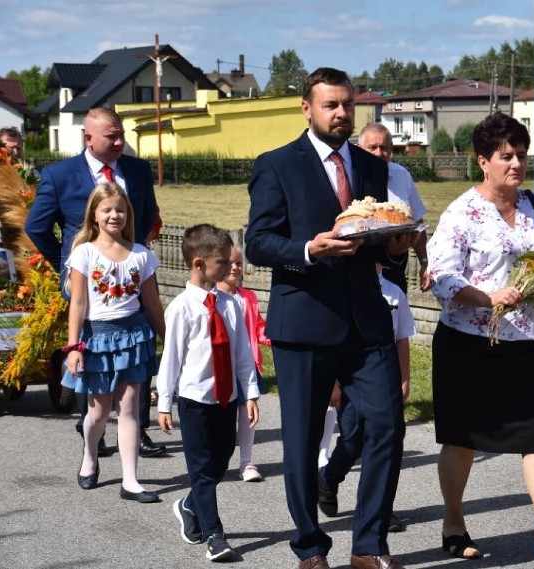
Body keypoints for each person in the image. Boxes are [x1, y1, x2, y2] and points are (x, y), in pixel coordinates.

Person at [245, 67, 411, 569]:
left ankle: (368, 547)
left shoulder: (371, 164)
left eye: (347, 105)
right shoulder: (276, 165)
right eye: (330, 105)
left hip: (366, 320)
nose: (341, 114)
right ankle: (310, 548)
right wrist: (308, 250)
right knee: (299, 439)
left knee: (386, 426)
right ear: (307, 109)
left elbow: (380, 239)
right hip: (305, 321)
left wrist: (399, 248)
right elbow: (258, 242)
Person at [427, 112, 534, 569]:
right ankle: (454, 521)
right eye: (506, 156)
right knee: (462, 441)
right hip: (472, 344)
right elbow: (440, 275)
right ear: (483, 161)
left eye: (521, 155)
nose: (517, 164)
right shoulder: (462, 212)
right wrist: (487, 296)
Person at [25, 107, 165, 458]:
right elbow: (36, 227)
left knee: (139, 338)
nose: (120, 142)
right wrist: (68, 261)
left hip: (130, 271)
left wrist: (134, 250)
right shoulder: (60, 175)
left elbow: (147, 214)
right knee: (95, 344)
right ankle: (95, 423)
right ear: (89, 138)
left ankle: (137, 426)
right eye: (111, 137)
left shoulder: (137, 169)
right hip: (88, 276)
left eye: (122, 135)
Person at [157, 224, 260, 562]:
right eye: (221, 262)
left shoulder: (231, 305)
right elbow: (171, 358)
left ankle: (188, 505)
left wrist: (251, 393)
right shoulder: (182, 308)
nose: (229, 267)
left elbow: (243, 354)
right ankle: (215, 536)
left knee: (221, 461)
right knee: (202, 470)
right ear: (199, 264)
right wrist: (164, 402)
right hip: (195, 401)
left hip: (226, 398)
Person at [61, 183, 164, 504]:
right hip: (97, 338)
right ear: (94, 214)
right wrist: (73, 347)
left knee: (130, 408)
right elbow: (77, 303)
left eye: (120, 209)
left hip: (134, 336)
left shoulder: (141, 254)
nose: (114, 215)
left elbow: (153, 303)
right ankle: (90, 455)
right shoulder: (84, 253)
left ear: (128, 214)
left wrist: (169, 342)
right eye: (107, 209)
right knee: (100, 412)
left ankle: (131, 481)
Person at [317, 262, 415, 533]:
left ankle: (380, 509)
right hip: (351, 380)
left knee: (384, 442)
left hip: (383, 379)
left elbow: (402, 338)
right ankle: (328, 477)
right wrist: (333, 383)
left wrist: (404, 379)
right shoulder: (343, 289)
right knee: (353, 439)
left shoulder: (394, 292)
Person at [216, 246, 270, 483]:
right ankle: (217, 460)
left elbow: (259, 327)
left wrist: (276, 336)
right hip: (219, 368)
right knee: (220, 418)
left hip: (246, 366)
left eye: (238, 263)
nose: (235, 267)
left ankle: (246, 462)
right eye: (229, 263)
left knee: (248, 415)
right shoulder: (212, 297)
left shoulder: (248, 297)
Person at [357, 123, 430, 292]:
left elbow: (418, 219)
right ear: (358, 148)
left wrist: (425, 262)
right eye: (372, 147)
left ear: (391, 150)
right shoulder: (349, 177)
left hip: (395, 268)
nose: (379, 153)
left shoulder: (401, 175)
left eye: (384, 148)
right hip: (359, 271)